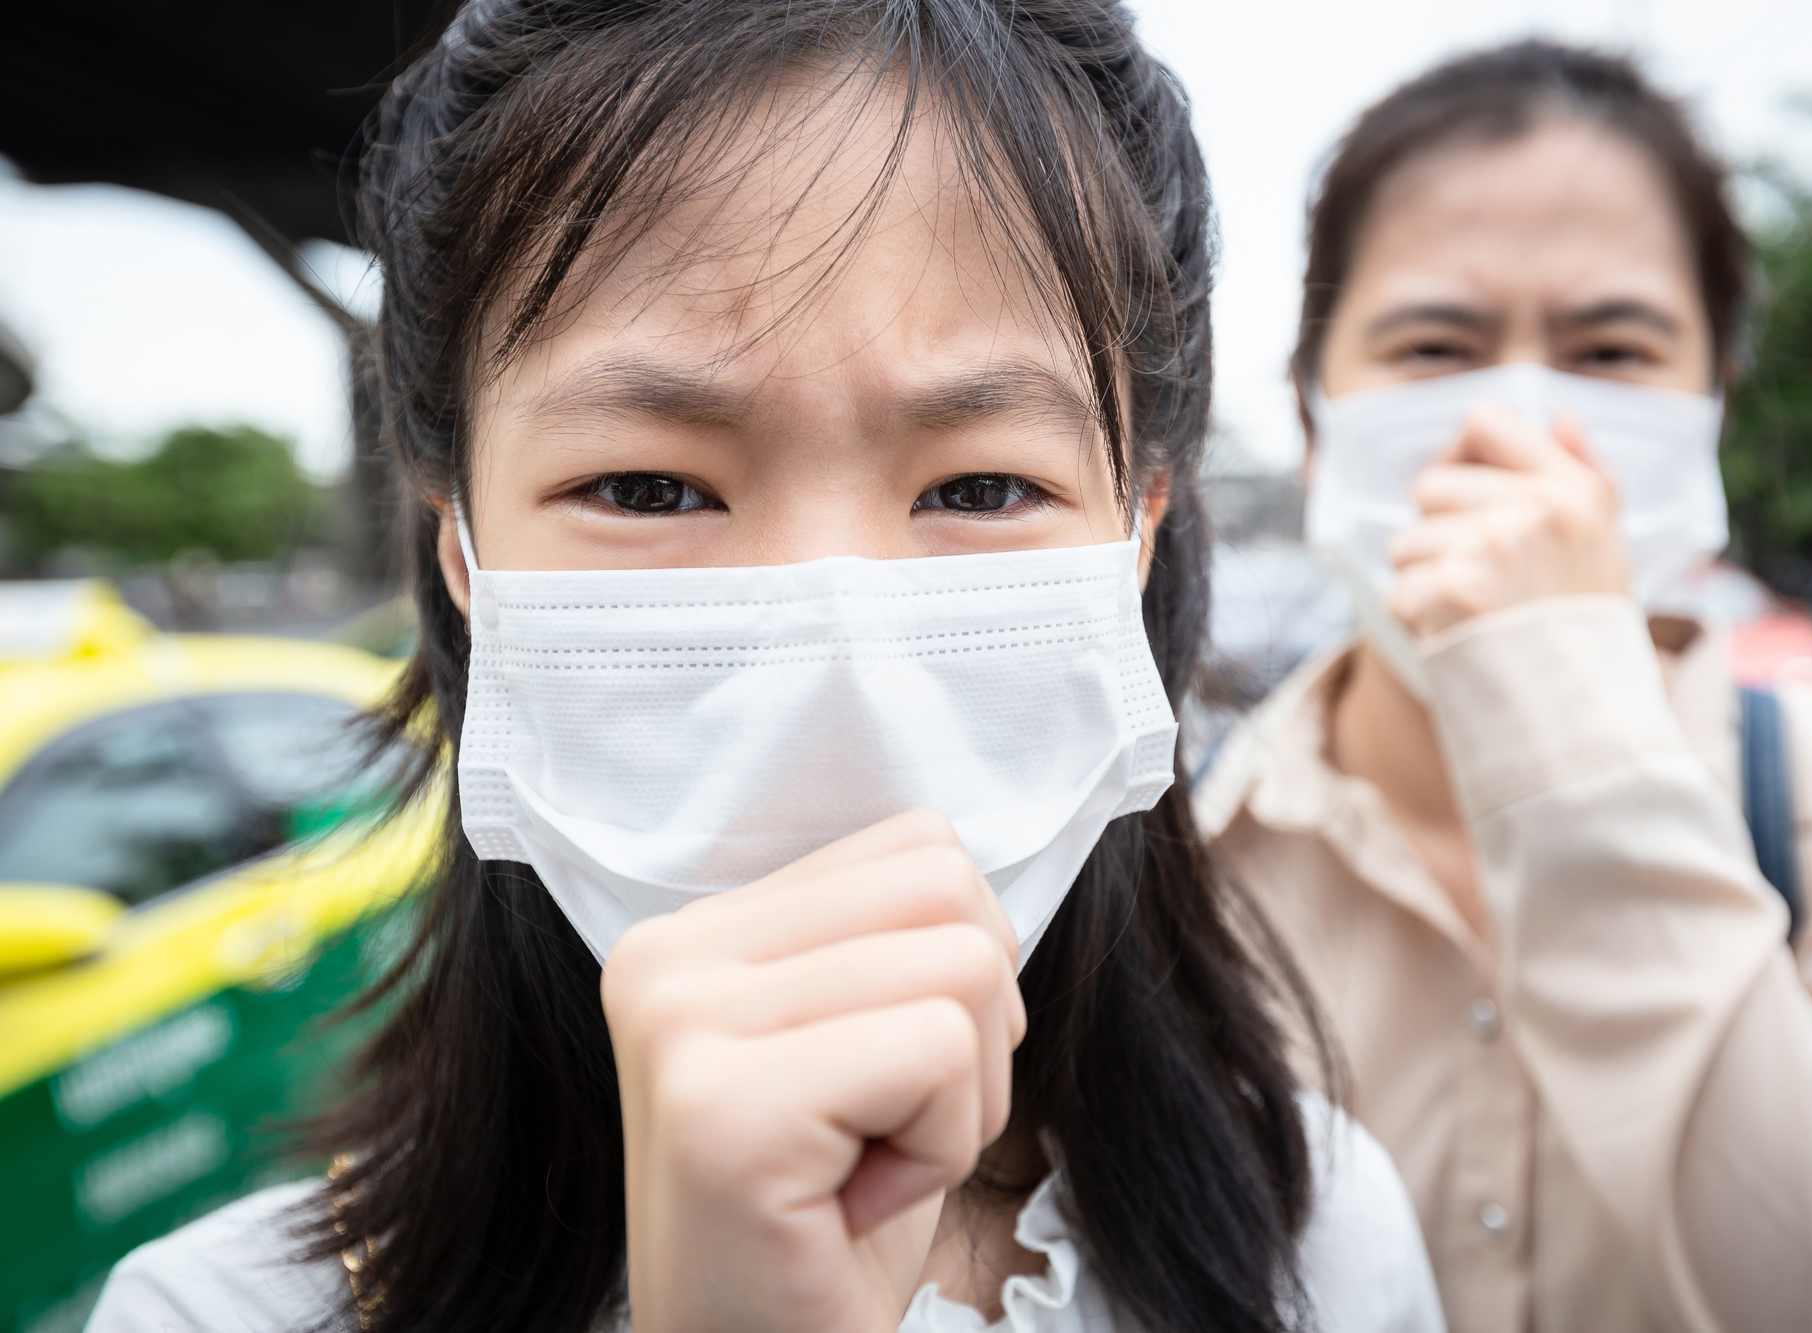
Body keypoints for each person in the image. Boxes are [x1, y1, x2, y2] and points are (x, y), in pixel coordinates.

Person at [82, 4, 1447, 1333]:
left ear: (1137, 536)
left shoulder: (1323, 1234)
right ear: (464, 557)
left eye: (978, 486)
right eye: (647, 486)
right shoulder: (206, 1311)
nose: (837, 654)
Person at [1198, 41, 1812, 1333]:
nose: (1517, 425)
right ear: (1310, 416)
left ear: (1713, 411)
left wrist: (1554, 705)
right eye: (1435, 344)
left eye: (1612, 350)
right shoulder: (1164, 879)